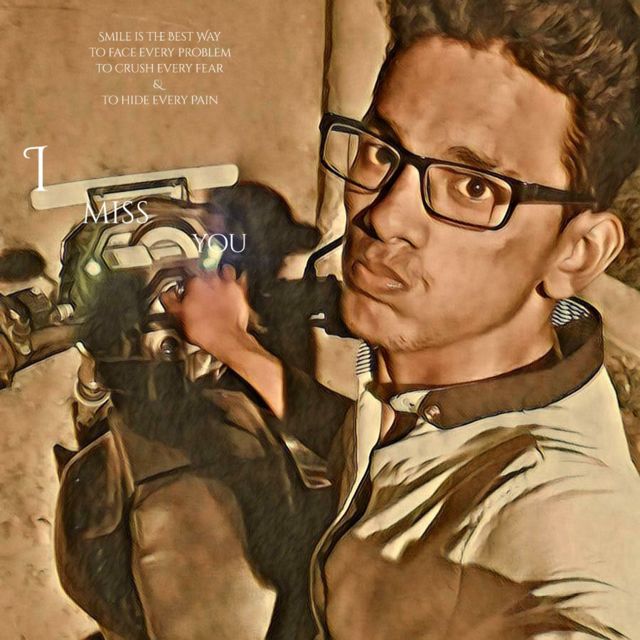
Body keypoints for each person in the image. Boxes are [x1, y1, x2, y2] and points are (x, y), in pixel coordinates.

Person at [162, 0, 640, 637]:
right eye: (381, 151)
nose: (384, 216)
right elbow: (366, 438)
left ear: (577, 252)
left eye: (473, 186)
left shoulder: (563, 520)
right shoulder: (456, 387)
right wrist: (230, 340)